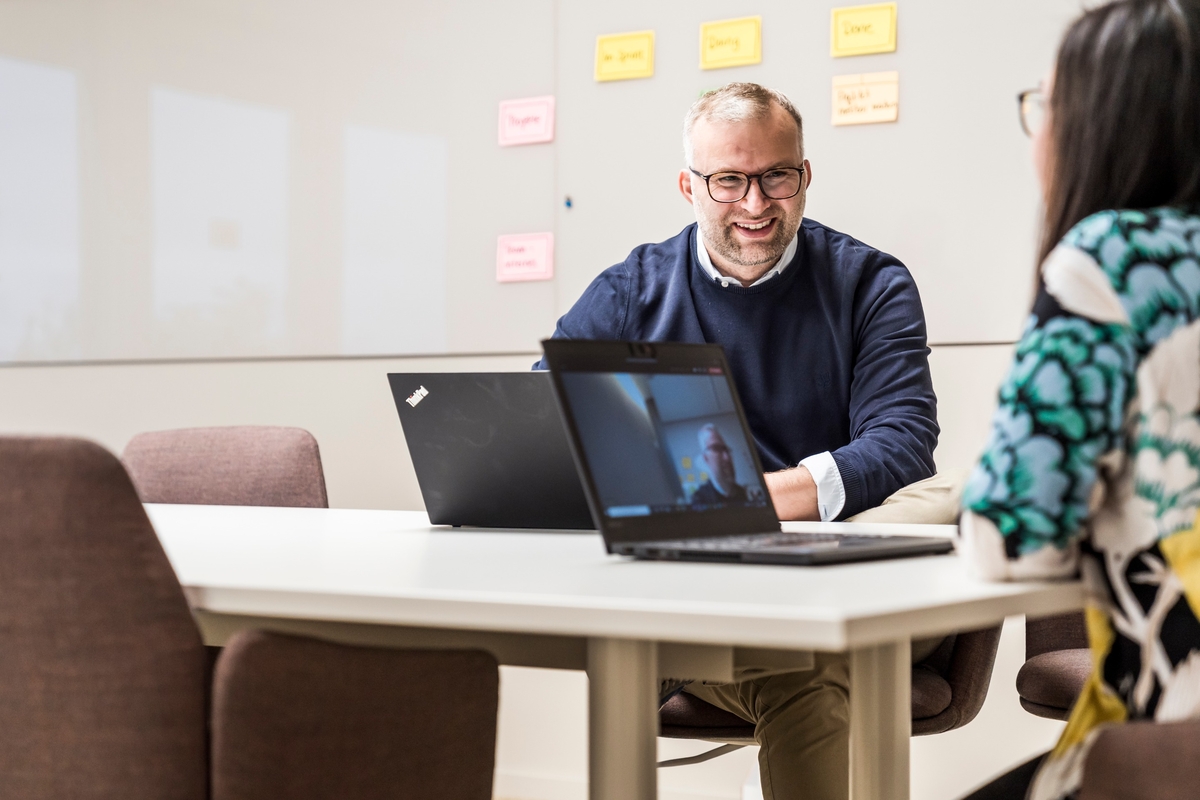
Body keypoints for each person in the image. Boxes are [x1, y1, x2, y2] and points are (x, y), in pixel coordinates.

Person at [536, 82, 941, 800]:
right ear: (689, 186)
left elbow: (902, 441)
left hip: (822, 591)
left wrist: (733, 503)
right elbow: (544, 414)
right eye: (729, 181)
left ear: (805, 176)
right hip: (682, 592)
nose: (755, 205)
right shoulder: (633, 289)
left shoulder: (868, 283)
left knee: (944, 511)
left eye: (775, 177)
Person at [959, 1, 1200, 798]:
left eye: (1045, 104)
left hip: (1169, 745)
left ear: (1103, 123)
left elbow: (1010, 540)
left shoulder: (1112, 260)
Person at [690, 424, 748, 505]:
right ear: (705, 458)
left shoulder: (743, 493)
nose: (727, 457)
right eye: (716, 448)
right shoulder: (699, 500)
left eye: (726, 450)